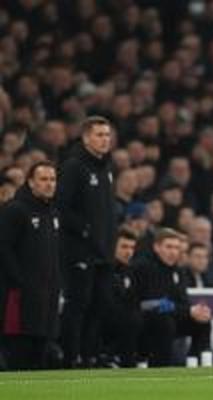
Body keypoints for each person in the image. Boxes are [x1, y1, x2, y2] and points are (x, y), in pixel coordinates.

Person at [57, 116, 118, 368]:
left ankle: (89, 356)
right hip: (79, 251)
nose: (105, 140)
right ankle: (71, 358)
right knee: (78, 305)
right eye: (99, 135)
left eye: (107, 135)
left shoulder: (107, 167)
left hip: (103, 251)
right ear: (85, 138)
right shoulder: (73, 166)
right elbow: (61, 206)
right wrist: (85, 230)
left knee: (99, 305)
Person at [0, 161, 61, 370]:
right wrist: (19, 280)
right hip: (21, 295)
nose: (49, 184)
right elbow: (3, 247)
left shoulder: (53, 213)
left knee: (41, 352)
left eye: (53, 179)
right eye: (43, 179)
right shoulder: (15, 210)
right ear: (31, 183)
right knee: (20, 352)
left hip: (46, 295)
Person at [132, 228, 211, 367]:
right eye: (169, 247)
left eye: (176, 248)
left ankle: (196, 364)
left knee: (202, 320)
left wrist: (195, 311)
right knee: (165, 322)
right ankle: (161, 366)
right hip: (145, 317)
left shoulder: (178, 271)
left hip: (170, 315)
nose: (173, 252)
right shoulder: (145, 267)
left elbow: (183, 301)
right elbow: (154, 303)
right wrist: (188, 311)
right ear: (157, 247)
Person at [101, 227, 143, 367]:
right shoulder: (103, 271)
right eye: (124, 247)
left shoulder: (131, 271)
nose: (129, 252)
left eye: (132, 248)